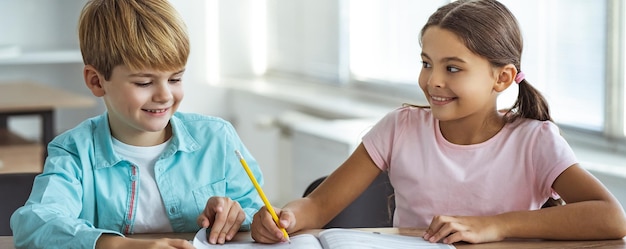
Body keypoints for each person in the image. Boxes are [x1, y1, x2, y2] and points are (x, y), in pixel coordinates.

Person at [251, 0, 626, 245]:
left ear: (503, 78)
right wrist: (284, 216)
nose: (433, 81)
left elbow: (611, 217)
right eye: (426, 63)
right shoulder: (399, 128)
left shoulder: (534, 141)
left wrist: (495, 225)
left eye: (453, 68)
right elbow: (317, 207)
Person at [10, 0, 264, 248]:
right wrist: (119, 245)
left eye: (175, 79)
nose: (164, 95)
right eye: (144, 82)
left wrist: (241, 217)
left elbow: (255, 208)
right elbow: (35, 224)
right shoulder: (74, 151)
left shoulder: (217, 137)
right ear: (97, 81)